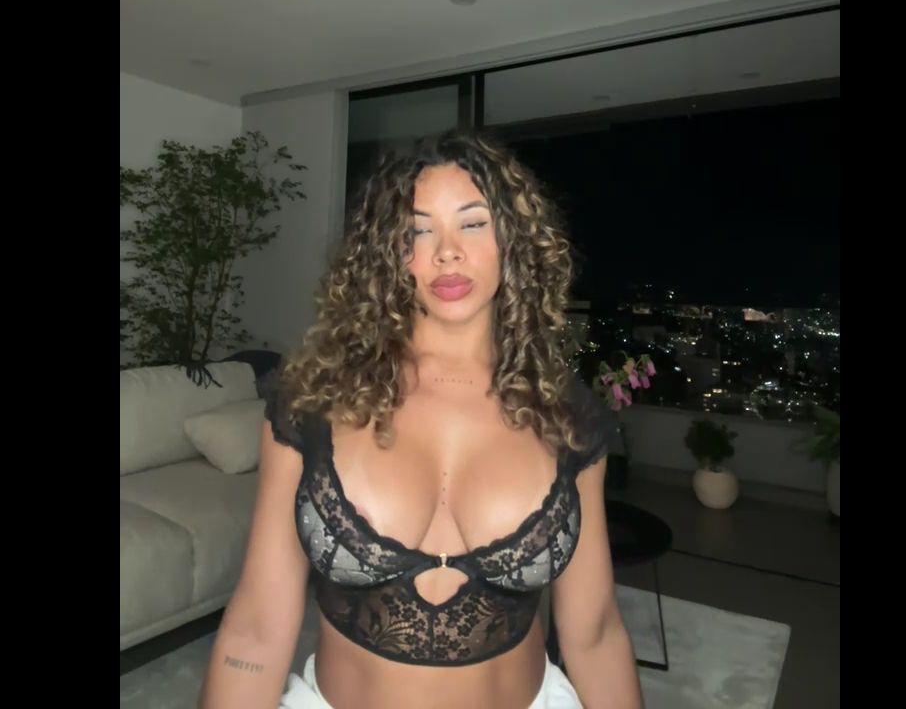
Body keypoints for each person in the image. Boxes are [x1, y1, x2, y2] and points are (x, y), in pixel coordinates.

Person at [199, 130, 644, 709]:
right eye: (417, 230)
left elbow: (595, 634)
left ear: (513, 240)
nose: (446, 252)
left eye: (473, 223)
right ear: (388, 252)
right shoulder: (311, 402)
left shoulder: (568, 418)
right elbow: (258, 627)